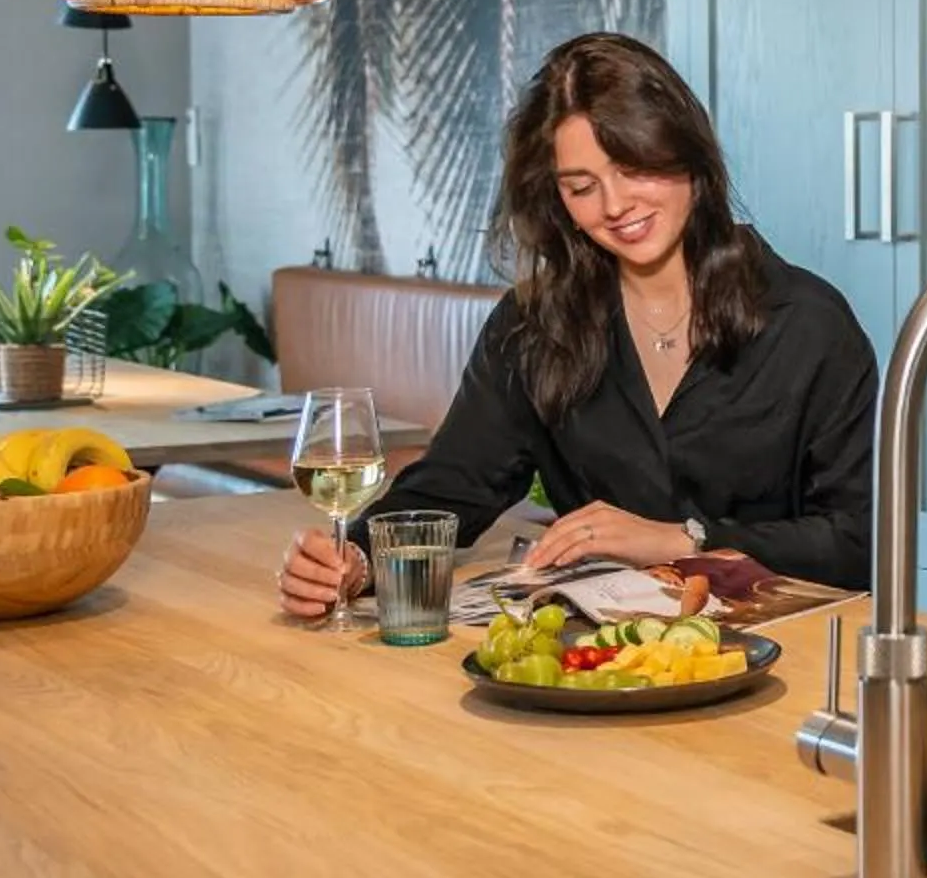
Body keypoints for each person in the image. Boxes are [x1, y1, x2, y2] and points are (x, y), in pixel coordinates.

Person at [276, 33, 877, 616]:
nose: (615, 206)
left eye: (635, 168)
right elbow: (452, 487)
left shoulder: (809, 325)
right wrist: (355, 557)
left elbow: (857, 543)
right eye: (582, 187)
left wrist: (683, 538)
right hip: (599, 664)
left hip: (783, 664)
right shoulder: (535, 325)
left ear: (689, 157)